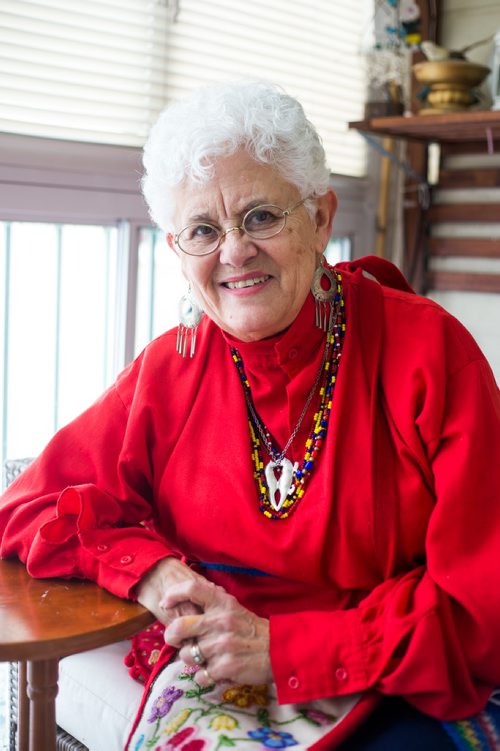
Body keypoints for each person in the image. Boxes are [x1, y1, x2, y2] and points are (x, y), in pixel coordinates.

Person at [1, 80, 499, 751]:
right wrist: (150, 569)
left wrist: (286, 646)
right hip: (226, 672)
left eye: (261, 216)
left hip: (406, 677)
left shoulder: (431, 354)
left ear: (321, 218)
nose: (233, 251)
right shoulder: (170, 368)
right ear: (178, 251)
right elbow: (27, 509)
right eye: (203, 229)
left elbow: (483, 608)